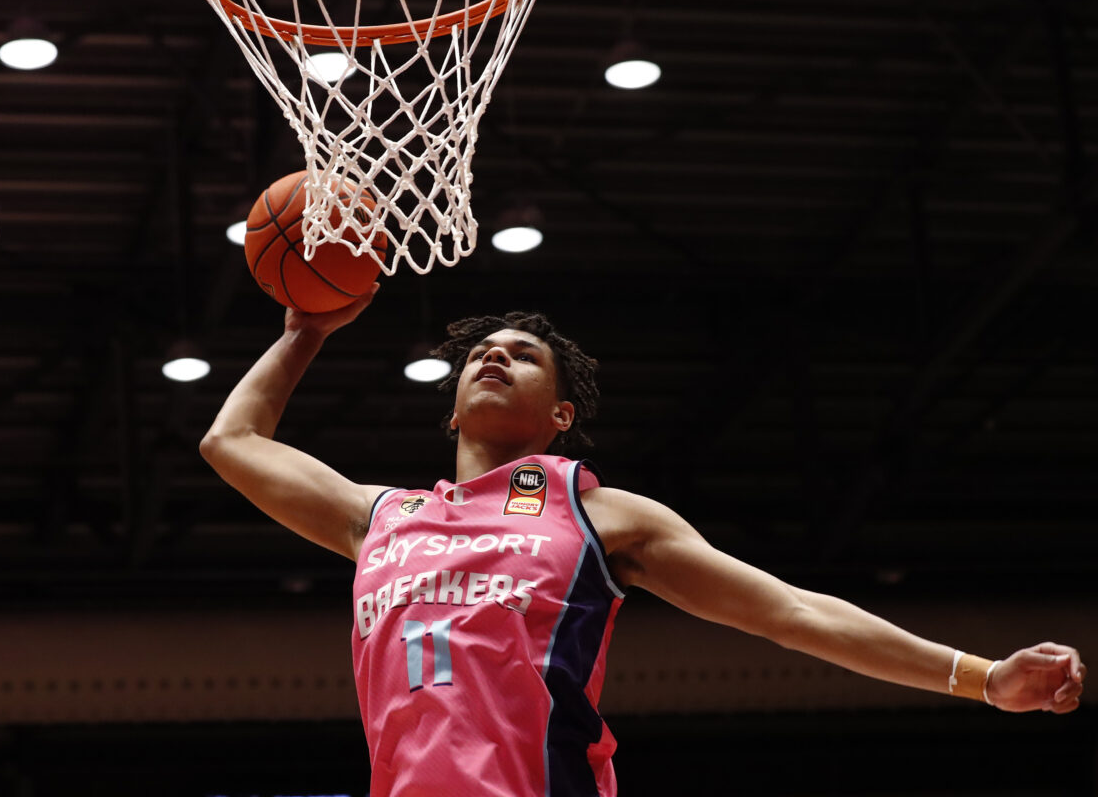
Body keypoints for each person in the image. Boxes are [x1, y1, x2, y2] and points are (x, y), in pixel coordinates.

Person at [200, 284, 1086, 797]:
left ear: (560, 414)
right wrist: (305, 331)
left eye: (523, 355)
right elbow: (231, 445)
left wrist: (980, 678)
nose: (493, 356)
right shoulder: (380, 515)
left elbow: (790, 611)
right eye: (481, 351)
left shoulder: (598, 514)